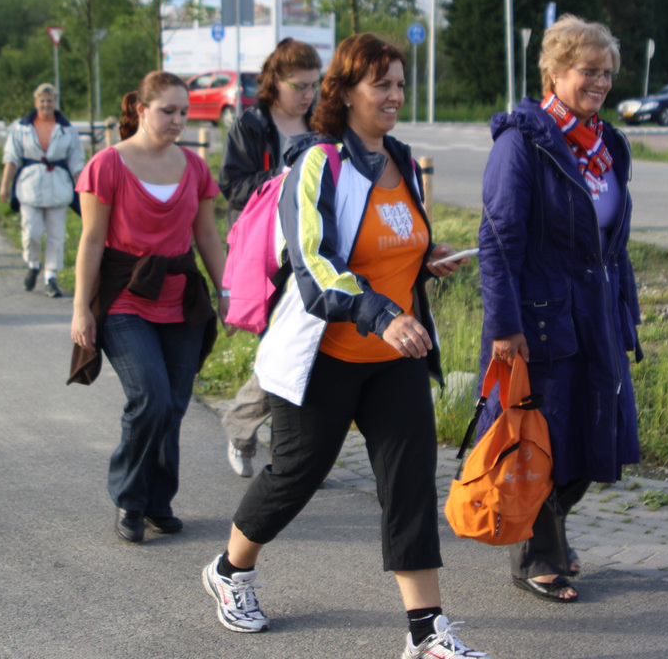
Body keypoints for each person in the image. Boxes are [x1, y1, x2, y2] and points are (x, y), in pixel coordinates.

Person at [202, 33, 489, 659]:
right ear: (346, 92)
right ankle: (230, 569)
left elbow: (389, 244)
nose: (395, 95)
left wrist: (426, 259)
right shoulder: (318, 163)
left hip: (393, 358)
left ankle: (426, 632)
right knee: (295, 476)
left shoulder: (403, 161)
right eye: (381, 84)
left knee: (410, 485)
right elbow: (315, 265)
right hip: (324, 357)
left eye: (400, 84)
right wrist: (380, 313)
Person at [477, 14, 642, 604]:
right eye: (588, 71)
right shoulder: (522, 143)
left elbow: (612, 242)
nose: (600, 82)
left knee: (593, 433)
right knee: (539, 438)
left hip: (597, 315)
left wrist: (625, 308)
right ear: (554, 72)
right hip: (540, 320)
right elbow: (498, 241)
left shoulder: (607, 145)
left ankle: (551, 532)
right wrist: (505, 326)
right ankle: (537, 556)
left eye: (607, 73)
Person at [68, 71, 231, 544]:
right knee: (151, 397)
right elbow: (91, 241)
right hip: (124, 297)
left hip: (181, 299)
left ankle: (159, 502)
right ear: (141, 110)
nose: (178, 120)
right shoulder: (106, 165)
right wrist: (81, 308)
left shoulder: (195, 167)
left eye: (184, 112)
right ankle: (129, 498)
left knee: (174, 405)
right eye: (168, 111)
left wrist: (226, 292)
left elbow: (207, 236)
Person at [218, 37, 322, 477]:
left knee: (307, 347)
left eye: (314, 85)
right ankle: (246, 429)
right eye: (299, 85)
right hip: (264, 250)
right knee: (283, 348)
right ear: (274, 81)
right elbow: (232, 185)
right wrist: (282, 176)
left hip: (312, 245)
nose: (308, 94)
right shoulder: (251, 124)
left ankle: (286, 457)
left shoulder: (321, 122)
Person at [0, 83, 85, 298]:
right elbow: (11, 158)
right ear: (36, 102)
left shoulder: (67, 129)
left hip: (59, 186)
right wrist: (5, 184)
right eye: (42, 101)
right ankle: (33, 264)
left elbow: (76, 162)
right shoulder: (21, 128)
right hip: (30, 187)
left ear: (55, 103)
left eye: (50, 101)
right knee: (32, 233)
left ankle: (51, 277)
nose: (46, 105)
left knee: (56, 236)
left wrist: (85, 189)